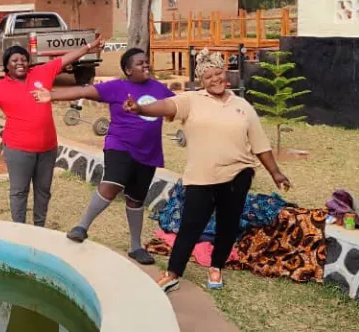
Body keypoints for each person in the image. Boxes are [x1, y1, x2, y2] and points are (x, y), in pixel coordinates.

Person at [122, 48, 291, 292]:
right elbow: (167, 106)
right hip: (200, 177)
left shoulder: (242, 106)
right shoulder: (191, 101)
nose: (215, 79)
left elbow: (260, 144)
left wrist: (276, 172)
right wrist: (140, 108)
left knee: (228, 224)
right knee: (190, 225)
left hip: (237, 174)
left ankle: (216, 267)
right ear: (201, 80)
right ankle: (172, 273)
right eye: (208, 76)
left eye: (219, 73)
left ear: (226, 73)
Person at [0, 39, 103, 227]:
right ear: (6, 66)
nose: (20, 63)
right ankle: (20, 228)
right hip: (18, 150)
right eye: (14, 60)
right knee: (19, 191)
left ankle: (39, 226)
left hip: (47, 148)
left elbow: (66, 59)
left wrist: (89, 47)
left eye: (23, 59)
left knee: (43, 190)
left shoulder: (42, 72)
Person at [31, 48, 174, 264]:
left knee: (136, 199)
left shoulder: (159, 89)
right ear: (128, 70)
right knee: (112, 183)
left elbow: (179, 107)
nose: (146, 65)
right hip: (120, 145)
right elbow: (83, 91)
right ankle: (81, 227)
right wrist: (52, 95)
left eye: (146, 62)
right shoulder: (118, 87)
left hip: (148, 152)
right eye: (139, 63)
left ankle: (135, 247)